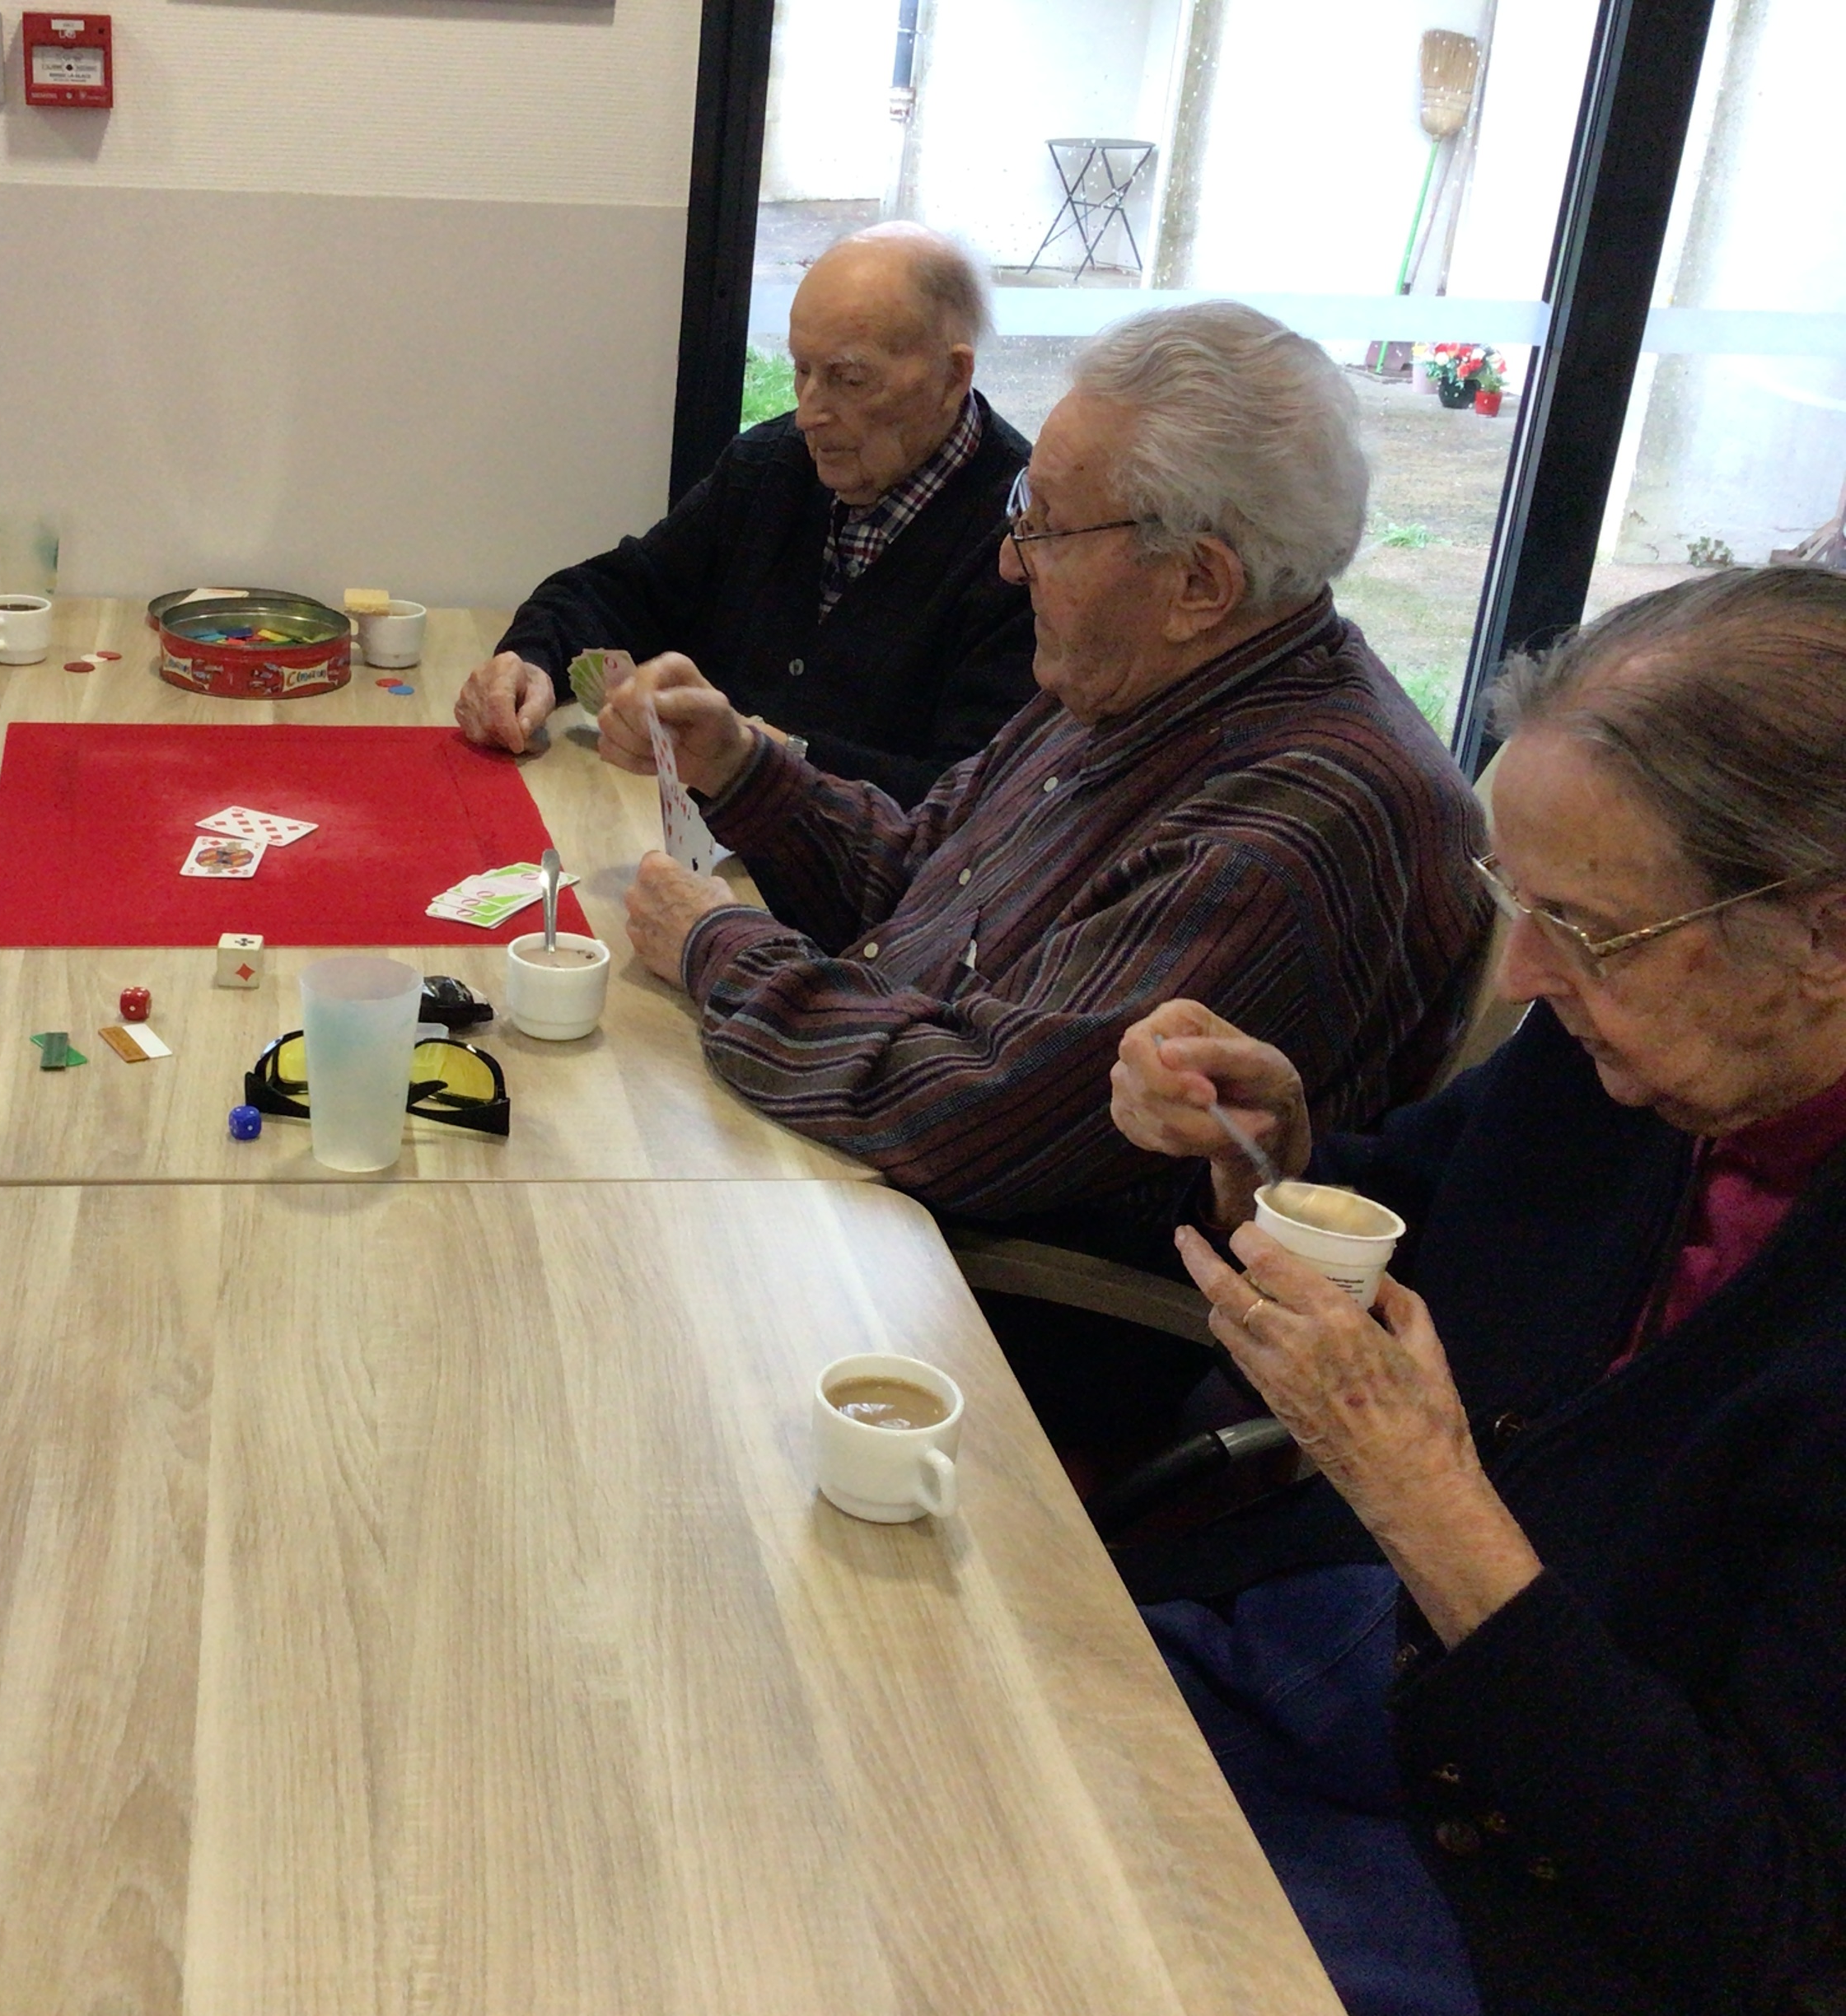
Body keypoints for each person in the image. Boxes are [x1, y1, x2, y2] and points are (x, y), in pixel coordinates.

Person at [1107, 565, 1846, 2016]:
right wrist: (1272, 1153)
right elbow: (1413, 1210)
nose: (1519, 973)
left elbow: (1770, 1929)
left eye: (1586, 926)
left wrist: (1427, 1502)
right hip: (1345, 1638)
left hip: (1526, 1888)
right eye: (1515, 900)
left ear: (1822, 935)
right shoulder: (1632, 1053)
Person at [601, 302, 1488, 1433]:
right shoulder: (1145, 677)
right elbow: (923, 875)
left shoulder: (1299, 825)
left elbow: (968, 1115)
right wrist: (745, 767)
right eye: (1023, 510)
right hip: (878, 1203)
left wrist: (717, 946)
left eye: (1048, 529)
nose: (1009, 562)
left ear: (1200, 583)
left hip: (997, 1327)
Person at [456, 223, 1035, 803]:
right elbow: (624, 590)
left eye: (849, 379)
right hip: (696, 835)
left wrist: (762, 755)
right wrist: (531, 660)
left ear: (952, 377)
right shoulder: (773, 465)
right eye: (802, 370)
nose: (808, 413)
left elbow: (974, 803)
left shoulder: (1028, 545)